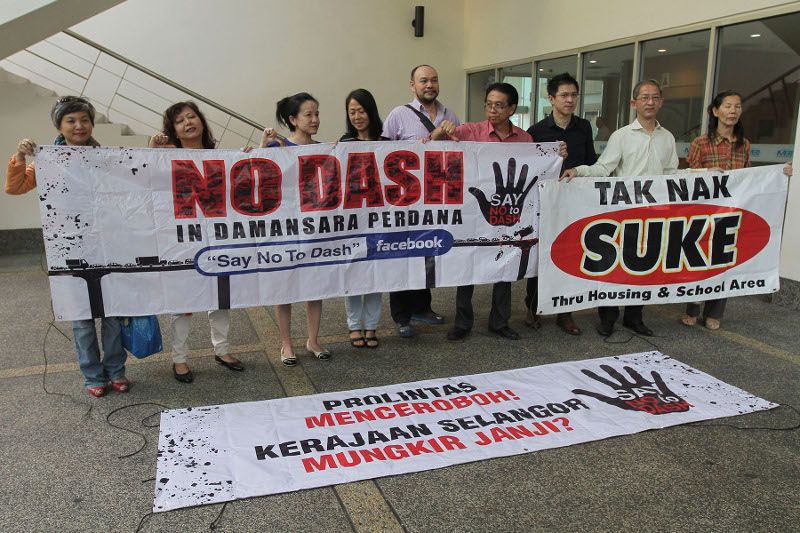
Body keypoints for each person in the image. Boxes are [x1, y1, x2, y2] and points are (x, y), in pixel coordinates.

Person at [6, 96, 129, 397]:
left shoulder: (105, 158)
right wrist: (20, 156)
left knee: (113, 315)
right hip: (69, 249)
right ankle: (92, 376)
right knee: (82, 319)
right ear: (59, 126)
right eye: (71, 120)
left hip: (106, 246)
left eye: (84, 120)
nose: (79, 126)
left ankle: (116, 370)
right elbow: (15, 186)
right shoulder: (48, 160)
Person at [430, 82, 566, 341]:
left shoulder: (524, 139)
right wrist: (440, 131)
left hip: (510, 209)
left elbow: (537, 169)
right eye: (489, 105)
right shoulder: (470, 131)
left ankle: (499, 322)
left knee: (506, 265)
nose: (492, 110)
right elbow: (433, 146)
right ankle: (462, 322)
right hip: (473, 211)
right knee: (468, 265)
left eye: (499, 106)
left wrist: (556, 155)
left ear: (512, 108)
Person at [561, 79, 679, 338]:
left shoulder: (667, 138)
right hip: (624, 213)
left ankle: (634, 318)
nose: (650, 102)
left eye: (655, 97)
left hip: (654, 215)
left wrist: (706, 175)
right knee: (616, 266)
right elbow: (604, 168)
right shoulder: (621, 136)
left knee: (644, 267)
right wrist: (578, 170)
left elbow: (672, 174)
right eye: (644, 97)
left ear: (661, 102)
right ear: (634, 103)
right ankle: (608, 318)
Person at [149, 101, 244, 383]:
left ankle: (222, 350)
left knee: (220, 297)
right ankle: (179, 359)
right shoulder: (166, 157)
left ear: (201, 120)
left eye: (191, 116)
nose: (188, 122)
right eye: (180, 120)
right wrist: (152, 151)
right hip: (182, 238)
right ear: (173, 130)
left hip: (217, 236)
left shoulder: (219, 156)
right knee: (182, 302)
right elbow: (148, 181)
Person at [681, 90, 792, 330]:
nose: (733, 111)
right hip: (705, 212)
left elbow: (750, 177)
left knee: (724, 260)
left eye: (737, 106)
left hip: (732, 212)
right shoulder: (701, 143)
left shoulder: (744, 145)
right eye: (728, 106)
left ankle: (714, 312)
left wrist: (779, 174)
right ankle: (692, 308)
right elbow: (690, 176)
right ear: (715, 111)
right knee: (698, 257)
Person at [381, 64, 460, 337]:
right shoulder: (399, 115)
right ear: (412, 85)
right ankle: (401, 316)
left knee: (427, 251)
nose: (430, 85)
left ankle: (422, 307)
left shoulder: (451, 116)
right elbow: (384, 154)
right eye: (423, 80)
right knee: (402, 253)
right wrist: (431, 139)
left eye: (434, 80)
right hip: (405, 200)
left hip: (436, 200)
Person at [260, 92, 331, 365]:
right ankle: (286, 344)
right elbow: (261, 178)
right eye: (308, 115)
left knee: (315, 288)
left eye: (317, 114)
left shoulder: (325, 150)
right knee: (284, 288)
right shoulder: (278, 147)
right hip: (285, 228)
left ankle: (313, 340)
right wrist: (263, 147)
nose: (315, 120)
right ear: (293, 119)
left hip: (314, 228)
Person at [524, 72, 597, 336]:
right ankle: (534, 307)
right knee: (541, 255)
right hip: (544, 202)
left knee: (571, 254)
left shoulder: (584, 127)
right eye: (564, 95)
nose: (570, 100)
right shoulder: (537, 131)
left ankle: (565, 312)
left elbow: (590, 162)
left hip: (575, 200)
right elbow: (530, 167)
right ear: (551, 99)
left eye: (573, 95)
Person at [339, 89, 384, 348]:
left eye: (361, 111)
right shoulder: (343, 144)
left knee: (377, 274)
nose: (357, 117)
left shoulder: (387, 142)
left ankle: (372, 326)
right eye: (352, 112)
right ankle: (354, 326)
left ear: (371, 111)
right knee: (354, 272)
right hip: (353, 219)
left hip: (380, 219)